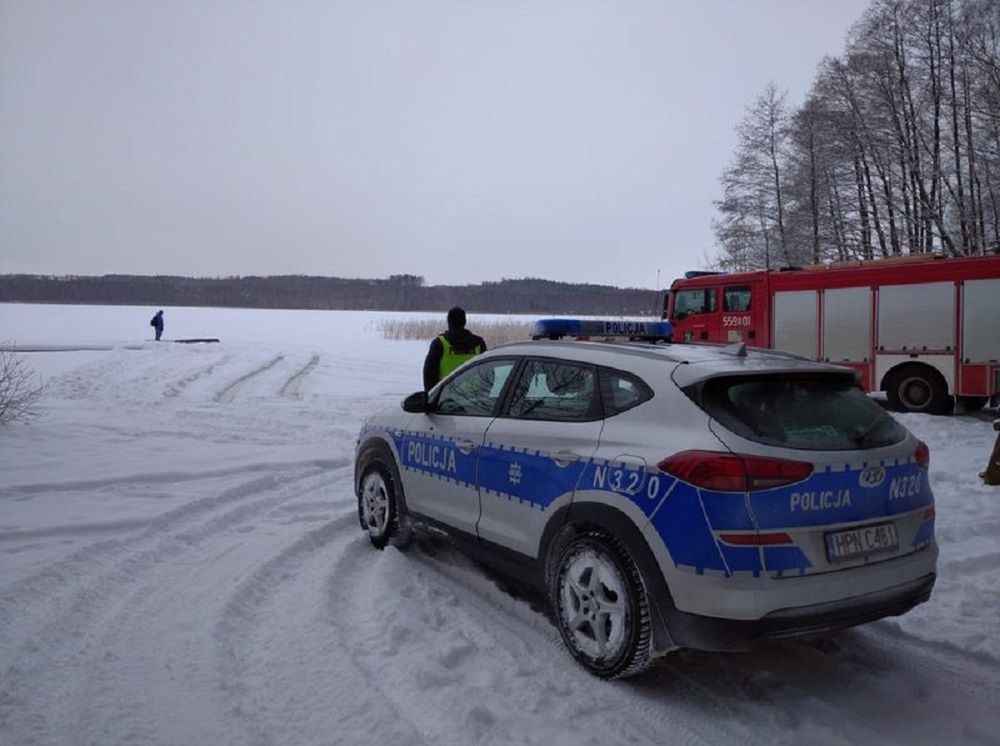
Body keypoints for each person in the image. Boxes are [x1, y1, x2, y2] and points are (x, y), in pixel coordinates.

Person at [422, 306, 487, 391]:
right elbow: (486, 372)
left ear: (449, 322)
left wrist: (431, 397)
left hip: (446, 398)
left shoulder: (440, 343)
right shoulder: (479, 344)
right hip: (475, 398)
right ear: (464, 322)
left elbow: (429, 375)